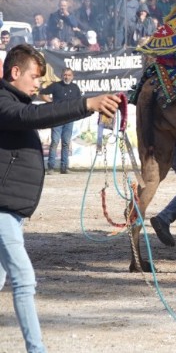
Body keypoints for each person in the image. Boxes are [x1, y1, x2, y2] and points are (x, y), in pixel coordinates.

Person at [0, 44, 119, 353]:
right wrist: (86, 104)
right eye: (35, 76)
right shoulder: (4, 102)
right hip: (1, 210)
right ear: (15, 73)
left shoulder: (15, 101)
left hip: (10, 211)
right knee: (24, 279)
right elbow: (32, 116)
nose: (39, 83)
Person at [40, 68, 82, 174]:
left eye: (68, 75)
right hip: (57, 118)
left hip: (69, 118)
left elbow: (79, 101)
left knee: (66, 143)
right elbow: (43, 93)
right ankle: (51, 167)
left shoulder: (75, 87)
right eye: (65, 75)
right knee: (54, 142)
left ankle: (64, 168)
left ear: (72, 76)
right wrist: (50, 103)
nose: (66, 77)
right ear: (62, 75)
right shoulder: (56, 86)